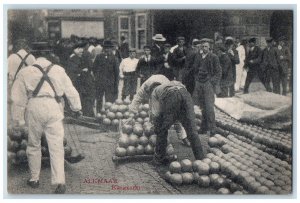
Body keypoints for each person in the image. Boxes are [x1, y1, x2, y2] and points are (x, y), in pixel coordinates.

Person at [11, 50, 82, 194]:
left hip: (34, 107)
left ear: (35, 57)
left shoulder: (26, 71)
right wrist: (77, 108)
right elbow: (71, 90)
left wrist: (18, 118)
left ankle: (34, 179)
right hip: (54, 107)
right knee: (56, 146)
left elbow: (17, 97)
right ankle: (60, 182)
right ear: (50, 57)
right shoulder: (59, 70)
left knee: (33, 144)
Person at [135, 79, 207, 164]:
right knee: (192, 130)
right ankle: (201, 160)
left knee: (162, 129)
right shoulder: (169, 84)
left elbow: (156, 114)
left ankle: (159, 159)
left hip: (172, 96)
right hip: (186, 95)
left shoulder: (154, 92)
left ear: (151, 89)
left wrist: (156, 126)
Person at [127, 74, 191, 147]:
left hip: (166, 93)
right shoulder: (145, 87)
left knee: (174, 115)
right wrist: (131, 114)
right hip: (154, 87)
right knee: (153, 113)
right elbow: (137, 99)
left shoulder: (167, 87)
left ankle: (183, 137)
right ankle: (153, 134)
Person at [192, 39, 221, 136]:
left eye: (206, 46)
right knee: (202, 106)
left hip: (208, 84)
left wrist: (211, 82)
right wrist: (196, 79)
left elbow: (218, 72)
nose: (204, 48)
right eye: (202, 46)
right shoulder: (198, 57)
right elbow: (195, 69)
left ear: (209, 48)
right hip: (199, 83)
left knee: (209, 107)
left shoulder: (213, 57)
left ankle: (212, 129)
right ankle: (203, 128)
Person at [93, 40, 119, 113]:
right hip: (100, 82)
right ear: (103, 48)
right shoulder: (99, 57)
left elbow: (117, 72)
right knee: (99, 99)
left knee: (109, 100)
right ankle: (98, 113)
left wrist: (115, 84)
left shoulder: (114, 58)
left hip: (110, 83)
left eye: (109, 48)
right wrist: (97, 77)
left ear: (111, 49)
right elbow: (94, 68)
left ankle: (108, 114)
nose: (107, 49)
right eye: (106, 48)